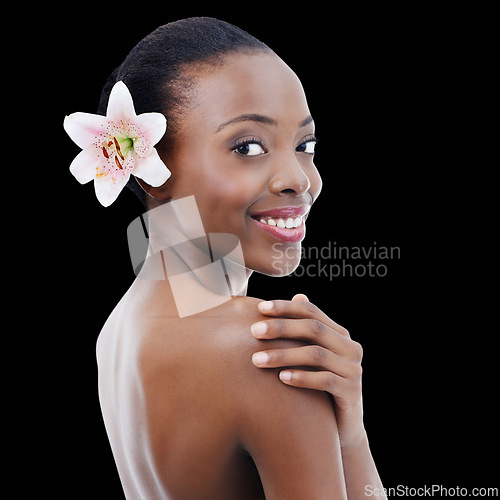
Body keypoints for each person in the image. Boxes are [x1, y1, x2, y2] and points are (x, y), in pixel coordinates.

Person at [65, 17, 386, 499]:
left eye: (305, 145)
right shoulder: (269, 351)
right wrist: (352, 438)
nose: (298, 178)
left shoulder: (118, 330)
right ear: (153, 172)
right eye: (248, 146)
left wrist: (348, 429)